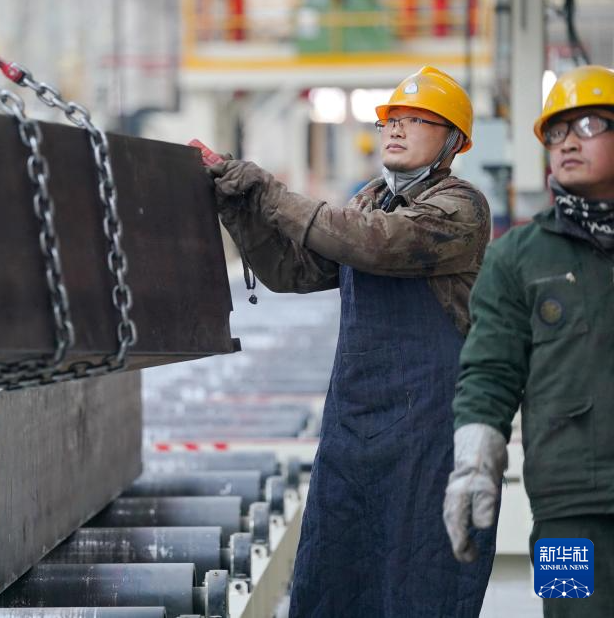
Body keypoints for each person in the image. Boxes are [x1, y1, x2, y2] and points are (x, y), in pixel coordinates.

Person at [208, 66, 495, 616]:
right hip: (355, 430)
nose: (396, 129)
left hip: (430, 438)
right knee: (334, 576)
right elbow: (293, 271)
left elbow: (375, 246)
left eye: (417, 121)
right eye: (392, 119)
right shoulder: (369, 201)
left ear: (453, 142)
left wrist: (271, 193)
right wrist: (239, 212)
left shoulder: (460, 209)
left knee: (422, 580)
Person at [445, 65, 614, 617]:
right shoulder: (516, 257)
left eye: (588, 124)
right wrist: (474, 465)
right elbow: (490, 371)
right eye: (556, 132)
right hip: (564, 504)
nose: (567, 141)